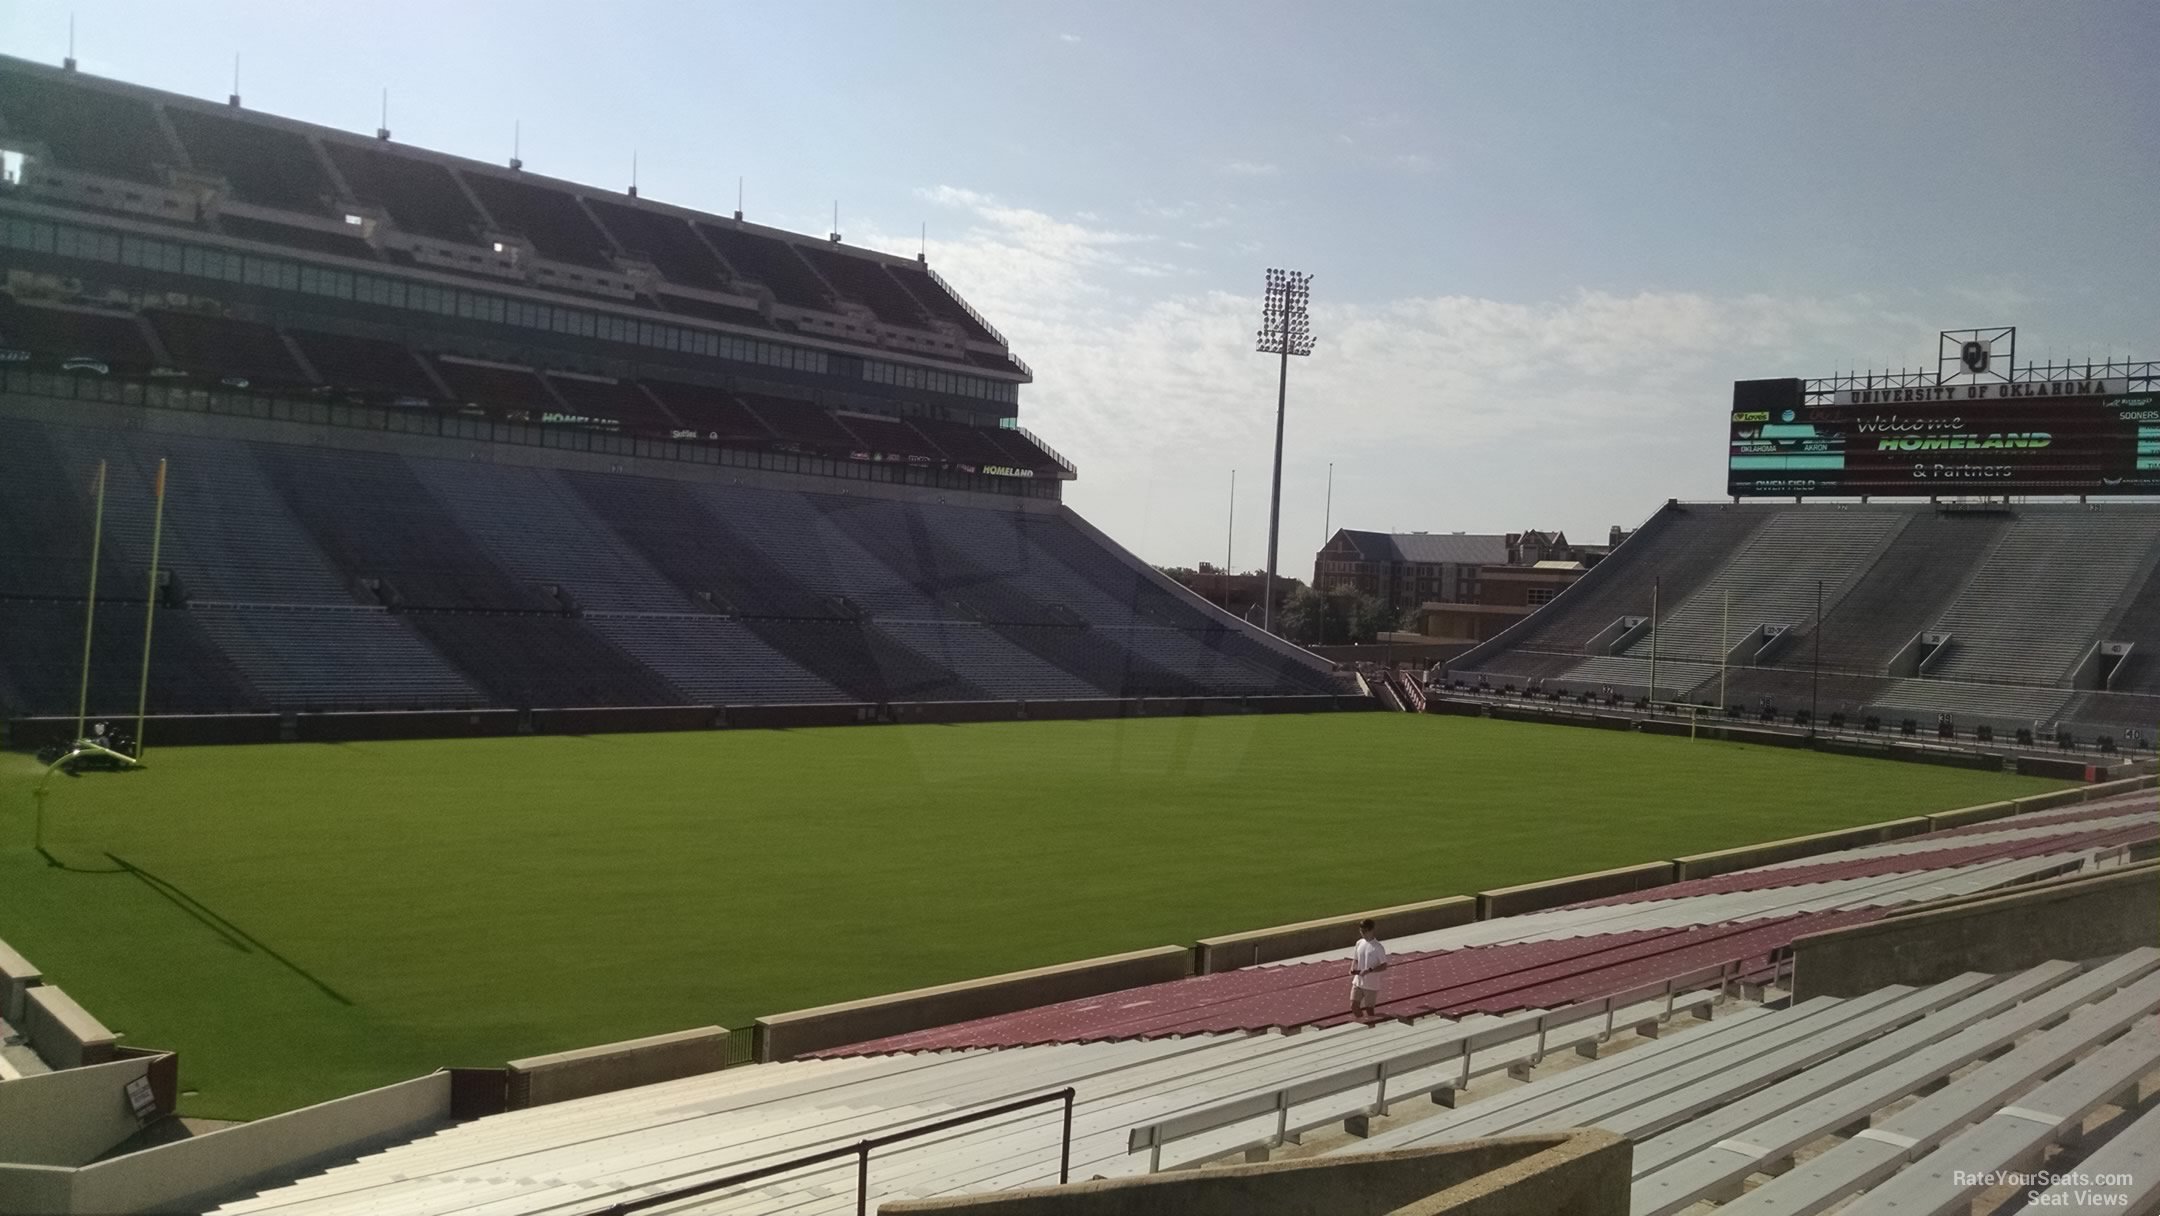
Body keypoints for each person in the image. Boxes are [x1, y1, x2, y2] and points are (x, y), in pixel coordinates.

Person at [1350, 919, 1388, 1022]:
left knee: (1369, 1009)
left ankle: (1372, 1026)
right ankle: (1363, 1023)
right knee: (1354, 1006)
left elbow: (1384, 965)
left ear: (1371, 930)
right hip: (1358, 982)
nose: (1363, 933)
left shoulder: (1378, 947)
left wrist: (1369, 970)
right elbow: (1356, 958)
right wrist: (1353, 967)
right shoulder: (1359, 943)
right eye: (1361, 931)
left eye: (1365, 931)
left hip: (1371, 984)